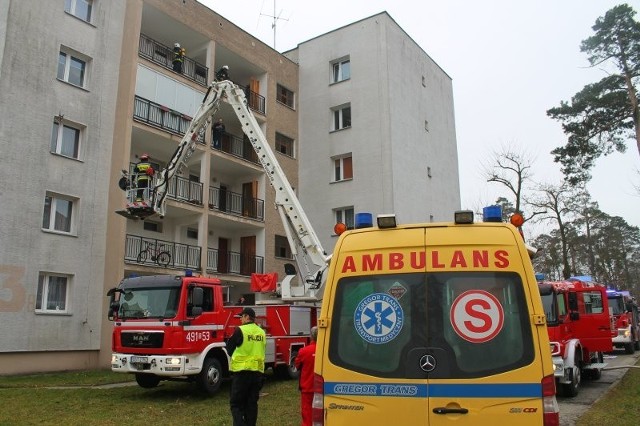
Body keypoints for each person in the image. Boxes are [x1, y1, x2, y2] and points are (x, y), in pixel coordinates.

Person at [227, 307, 266, 426]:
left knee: (236, 404)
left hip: (242, 373)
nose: (240, 320)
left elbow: (229, 349)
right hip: (257, 373)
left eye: (241, 317)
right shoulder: (261, 332)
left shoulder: (240, 330)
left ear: (247, 317)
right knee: (252, 404)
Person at [294, 326, 318, 426]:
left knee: (307, 413)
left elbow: (297, 365)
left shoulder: (303, 351)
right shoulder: (326, 351)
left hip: (307, 387)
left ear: (311, 336)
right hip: (324, 388)